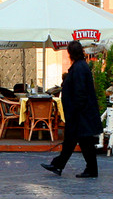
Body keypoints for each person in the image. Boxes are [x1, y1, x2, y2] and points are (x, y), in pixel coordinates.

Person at [42, 41, 103, 178]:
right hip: (80, 114)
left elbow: (80, 92)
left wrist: (74, 111)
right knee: (76, 141)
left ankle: (86, 169)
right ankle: (59, 165)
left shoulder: (79, 68)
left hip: (80, 114)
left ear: (70, 53)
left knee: (80, 142)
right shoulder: (80, 66)